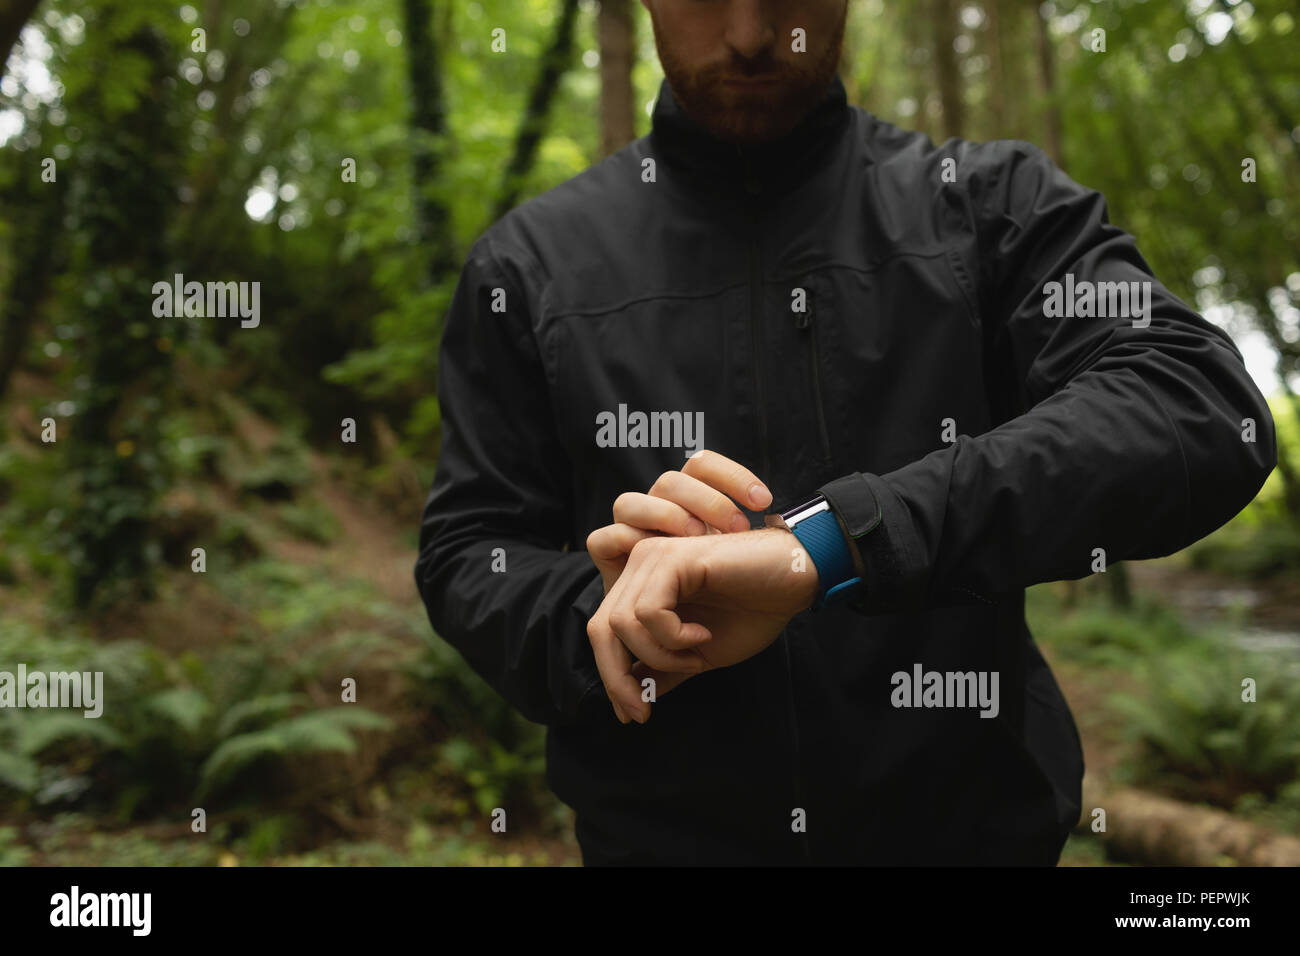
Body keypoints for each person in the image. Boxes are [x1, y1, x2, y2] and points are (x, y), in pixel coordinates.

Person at [414, 0, 1276, 865]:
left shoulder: (986, 207)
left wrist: (831, 547)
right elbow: (469, 550)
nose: (750, 35)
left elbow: (1195, 402)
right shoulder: (528, 266)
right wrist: (630, 617)